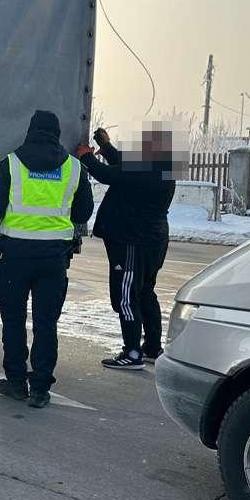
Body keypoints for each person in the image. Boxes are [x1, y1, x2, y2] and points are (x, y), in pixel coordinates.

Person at [0, 110, 94, 408]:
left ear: (30, 131)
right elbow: (83, 212)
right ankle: (40, 388)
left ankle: (16, 382)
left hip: (16, 257)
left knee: (13, 321)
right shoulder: (74, 168)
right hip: (53, 259)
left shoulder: (12, 163)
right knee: (46, 323)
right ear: (56, 133)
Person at [76, 127, 176, 370]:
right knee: (145, 292)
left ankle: (132, 352)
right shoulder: (160, 169)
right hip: (150, 239)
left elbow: (108, 174)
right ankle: (151, 347)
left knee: (126, 297)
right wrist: (107, 147)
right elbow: (126, 168)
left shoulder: (144, 171)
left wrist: (86, 156)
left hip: (133, 240)